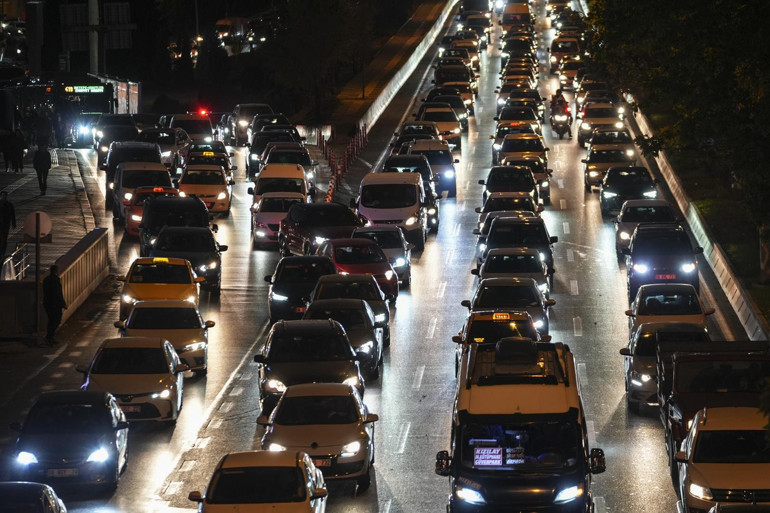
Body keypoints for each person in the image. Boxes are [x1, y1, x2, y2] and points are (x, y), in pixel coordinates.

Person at [42, 265, 67, 346]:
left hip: (48, 303)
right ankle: (49, 337)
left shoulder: (46, 280)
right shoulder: (56, 280)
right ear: (56, 271)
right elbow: (59, 294)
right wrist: (63, 304)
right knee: (57, 320)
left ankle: (50, 337)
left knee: (51, 320)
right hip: (55, 304)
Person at [0, 191, 16, 257]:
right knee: (2, 238)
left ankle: (2, 252)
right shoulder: (9, 205)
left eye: (5, 195)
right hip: (2, 223)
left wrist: (13, 223)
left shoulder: (9, 205)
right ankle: (1, 252)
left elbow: (13, 214)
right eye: (3, 195)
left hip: (6, 224)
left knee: (4, 239)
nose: (4, 196)